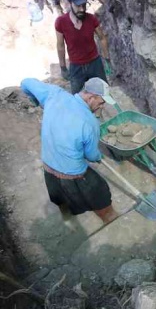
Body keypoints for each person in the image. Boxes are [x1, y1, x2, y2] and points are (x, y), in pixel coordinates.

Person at [20, 77, 119, 224]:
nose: (102, 106)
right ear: (91, 97)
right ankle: (111, 219)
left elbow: (25, 82)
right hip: (73, 175)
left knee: (61, 199)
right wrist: (99, 156)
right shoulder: (90, 123)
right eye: (101, 102)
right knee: (101, 193)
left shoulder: (54, 93)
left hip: (48, 167)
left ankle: (68, 217)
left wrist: (35, 100)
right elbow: (91, 156)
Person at [55, 0, 111, 94]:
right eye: (78, 6)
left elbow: (102, 38)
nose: (82, 9)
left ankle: (101, 110)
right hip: (76, 66)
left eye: (84, 6)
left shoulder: (91, 19)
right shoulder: (61, 22)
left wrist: (107, 58)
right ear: (70, 3)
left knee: (103, 93)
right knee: (78, 97)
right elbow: (60, 46)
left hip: (95, 64)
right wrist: (63, 67)